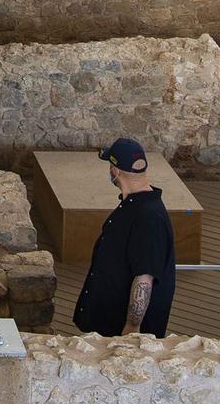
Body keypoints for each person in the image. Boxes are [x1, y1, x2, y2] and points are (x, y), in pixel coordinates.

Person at [72, 137, 177, 337]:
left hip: (119, 333)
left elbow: (144, 279)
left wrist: (132, 329)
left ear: (115, 171)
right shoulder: (134, 205)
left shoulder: (148, 218)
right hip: (106, 325)